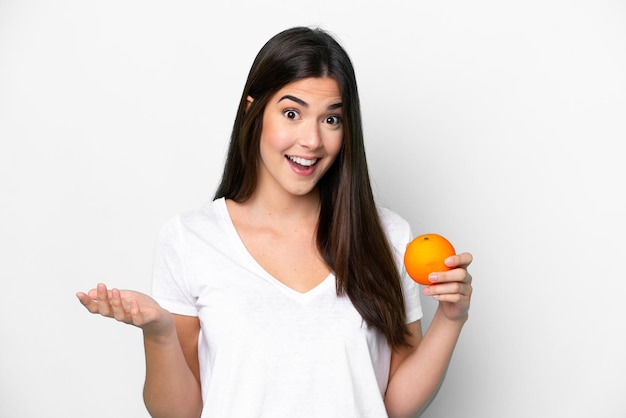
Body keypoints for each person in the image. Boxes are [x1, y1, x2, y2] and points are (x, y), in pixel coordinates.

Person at [76, 26, 473, 418]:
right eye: (291, 113)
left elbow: (393, 405)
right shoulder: (190, 240)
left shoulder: (388, 238)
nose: (312, 140)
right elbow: (180, 413)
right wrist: (159, 332)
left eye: (331, 120)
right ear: (253, 110)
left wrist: (451, 318)